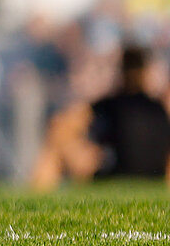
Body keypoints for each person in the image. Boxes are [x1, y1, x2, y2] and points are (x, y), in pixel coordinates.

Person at [30, 44, 170, 189]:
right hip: (156, 178)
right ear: (146, 72)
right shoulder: (159, 107)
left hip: (116, 176)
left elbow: (62, 123)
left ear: (122, 71)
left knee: (57, 145)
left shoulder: (112, 104)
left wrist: (80, 145)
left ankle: (36, 195)